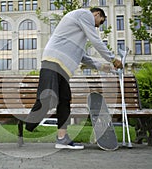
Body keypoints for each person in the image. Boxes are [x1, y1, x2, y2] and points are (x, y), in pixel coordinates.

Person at [24, 8, 123, 150]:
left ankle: (62, 138)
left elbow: (82, 56)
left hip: (63, 68)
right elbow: (96, 41)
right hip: (53, 61)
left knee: (64, 100)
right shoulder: (85, 14)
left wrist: (105, 67)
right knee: (48, 98)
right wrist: (113, 59)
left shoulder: (77, 33)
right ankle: (27, 124)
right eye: (98, 23)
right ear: (97, 14)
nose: (96, 27)